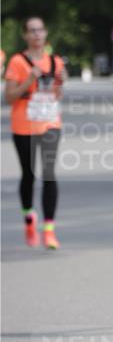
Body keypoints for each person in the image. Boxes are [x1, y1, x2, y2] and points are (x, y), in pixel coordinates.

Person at [4, 18, 67, 249]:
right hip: (24, 124)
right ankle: (29, 218)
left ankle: (49, 229)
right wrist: (29, 80)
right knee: (29, 174)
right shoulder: (18, 62)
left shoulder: (55, 61)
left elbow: (57, 94)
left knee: (49, 174)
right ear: (25, 36)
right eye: (31, 31)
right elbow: (9, 97)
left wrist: (59, 84)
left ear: (45, 33)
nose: (37, 34)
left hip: (50, 123)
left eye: (40, 29)